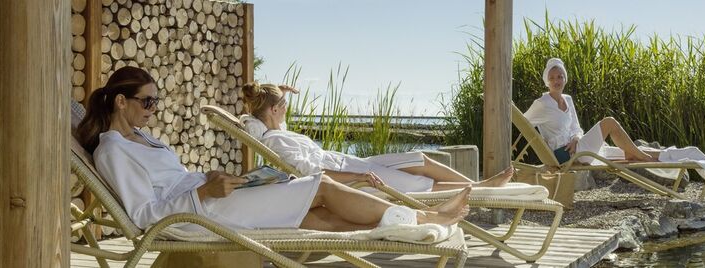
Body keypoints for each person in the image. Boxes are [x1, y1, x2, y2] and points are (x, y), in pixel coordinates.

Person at [74, 66, 469, 232]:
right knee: (320, 188)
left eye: (155, 102)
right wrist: (202, 192)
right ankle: (422, 222)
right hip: (199, 215)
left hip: (206, 198)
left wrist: (210, 179)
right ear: (120, 102)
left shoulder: (142, 140)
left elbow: (172, 181)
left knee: (308, 219)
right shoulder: (112, 151)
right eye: (147, 102)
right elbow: (144, 216)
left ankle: (394, 231)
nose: (152, 110)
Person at [238, 84, 515, 193]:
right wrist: (357, 180)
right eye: (284, 105)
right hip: (351, 172)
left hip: (352, 162)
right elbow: (312, 172)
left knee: (420, 158)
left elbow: (262, 109)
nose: (288, 107)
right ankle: (482, 189)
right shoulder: (276, 141)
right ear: (274, 110)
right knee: (421, 185)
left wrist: (278, 89)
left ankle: (478, 184)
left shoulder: (277, 131)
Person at [523, 58, 659, 164]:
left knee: (622, 151)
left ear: (565, 79)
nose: (556, 81)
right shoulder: (542, 103)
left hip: (577, 148)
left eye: (560, 76)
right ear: (547, 81)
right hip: (563, 154)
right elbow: (523, 123)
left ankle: (650, 155)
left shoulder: (567, 99)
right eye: (551, 78)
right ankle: (644, 157)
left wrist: (576, 138)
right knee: (609, 123)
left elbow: (576, 128)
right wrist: (542, 142)